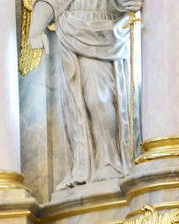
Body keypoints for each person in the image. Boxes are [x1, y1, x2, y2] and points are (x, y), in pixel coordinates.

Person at [26, 0, 142, 190]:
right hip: (73, 30)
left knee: (100, 100)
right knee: (75, 105)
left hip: (108, 30)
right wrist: (35, 30)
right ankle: (82, 167)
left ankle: (110, 161)